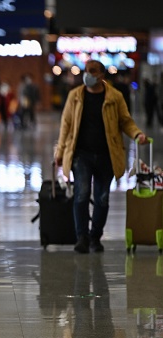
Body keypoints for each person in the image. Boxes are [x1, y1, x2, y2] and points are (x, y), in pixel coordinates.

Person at [55, 60, 147, 254]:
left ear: (102, 75)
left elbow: (126, 121)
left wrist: (137, 134)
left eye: (92, 71)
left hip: (107, 154)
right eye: (86, 71)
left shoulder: (115, 97)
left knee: (102, 198)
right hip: (81, 154)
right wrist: (60, 152)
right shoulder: (75, 97)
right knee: (81, 193)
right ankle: (82, 237)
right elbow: (66, 126)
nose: (87, 74)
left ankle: (95, 237)